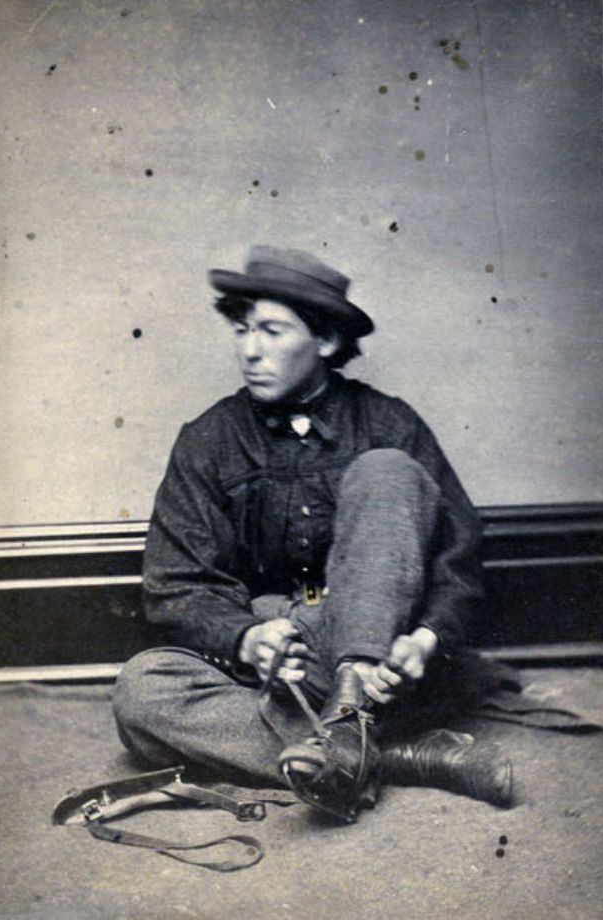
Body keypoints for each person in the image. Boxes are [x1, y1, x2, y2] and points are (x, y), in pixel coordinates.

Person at [113, 245, 513, 822]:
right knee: (141, 691)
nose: (250, 350)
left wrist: (425, 639)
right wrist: (249, 638)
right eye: (243, 329)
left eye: (273, 331)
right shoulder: (207, 439)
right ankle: (398, 756)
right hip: (287, 665)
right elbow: (175, 584)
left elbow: (459, 563)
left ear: (325, 341)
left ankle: (349, 726)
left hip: (384, 661)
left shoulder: (389, 424)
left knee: (386, 470)